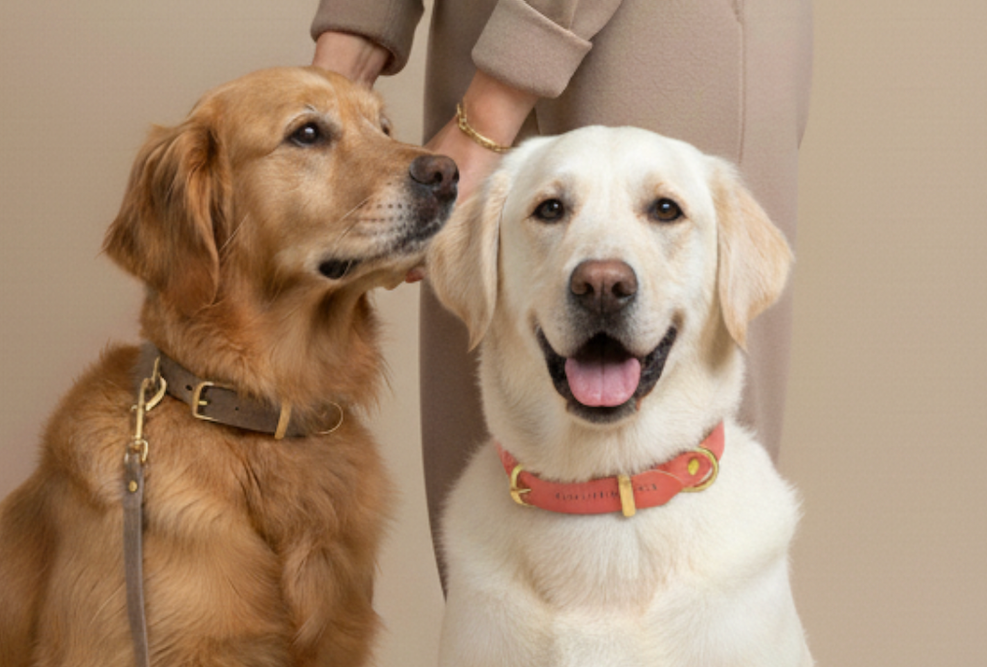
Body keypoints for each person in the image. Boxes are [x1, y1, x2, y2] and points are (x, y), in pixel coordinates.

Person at [312, 0, 813, 586]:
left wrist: (487, 115)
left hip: (653, 26)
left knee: (681, 558)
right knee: (493, 526)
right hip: (481, 25)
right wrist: (341, 58)